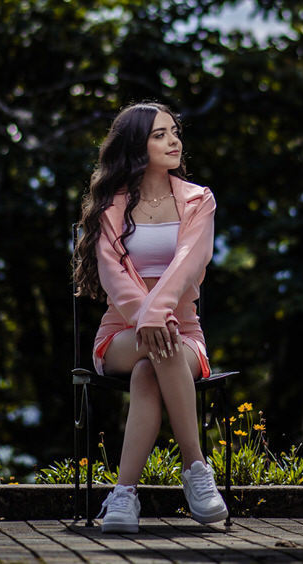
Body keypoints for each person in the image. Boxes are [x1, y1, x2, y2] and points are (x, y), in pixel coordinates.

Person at [72, 101, 229, 533]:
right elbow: (112, 276)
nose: (173, 141)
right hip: (120, 334)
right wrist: (149, 318)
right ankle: (197, 469)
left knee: (150, 370)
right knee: (154, 348)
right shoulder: (110, 207)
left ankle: (123, 496)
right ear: (136, 146)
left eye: (175, 132)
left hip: (184, 336)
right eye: (160, 134)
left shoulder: (199, 200)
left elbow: (188, 264)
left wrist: (159, 317)